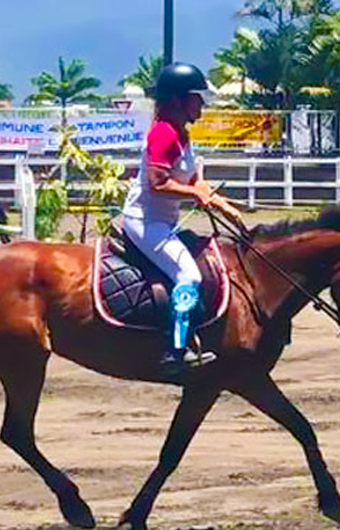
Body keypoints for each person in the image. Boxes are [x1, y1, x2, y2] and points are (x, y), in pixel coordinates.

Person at [122, 62, 243, 374]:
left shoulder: (181, 134)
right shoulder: (163, 133)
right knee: (189, 275)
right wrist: (196, 196)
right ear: (177, 100)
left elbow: (193, 180)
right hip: (145, 221)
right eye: (197, 98)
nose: (201, 105)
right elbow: (157, 183)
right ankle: (175, 351)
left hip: (164, 221)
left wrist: (219, 202)